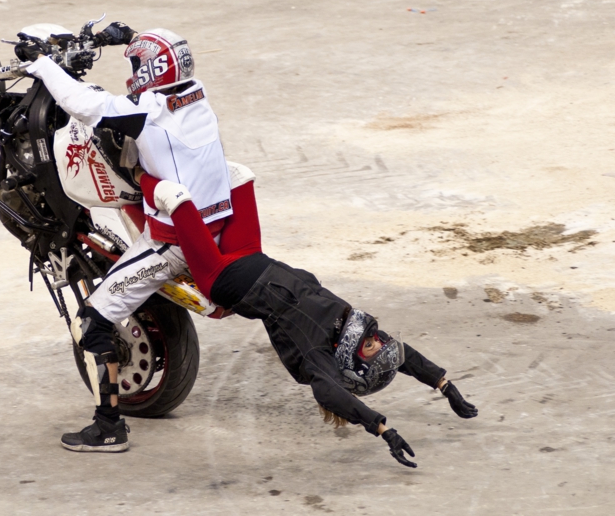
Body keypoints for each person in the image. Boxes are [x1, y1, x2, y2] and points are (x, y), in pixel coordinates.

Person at [137, 165, 478, 468]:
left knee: (175, 198)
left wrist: (381, 428)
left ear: (353, 363)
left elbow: (331, 395)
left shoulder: (318, 356)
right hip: (251, 255)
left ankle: (133, 176)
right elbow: (404, 358)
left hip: (223, 279)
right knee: (239, 174)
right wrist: (444, 385)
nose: (380, 338)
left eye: (374, 345)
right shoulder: (349, 327)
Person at [16, 23, 234, 452]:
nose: (133, 70)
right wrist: (128, 35)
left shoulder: (146, 112)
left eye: (137, 64)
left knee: (91, 325)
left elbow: (81, 102)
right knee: (127, 165)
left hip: (172, 245)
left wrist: (42, 64)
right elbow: (157, 70)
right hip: (208, 224)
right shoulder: (194, 93)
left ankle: (108, 426)